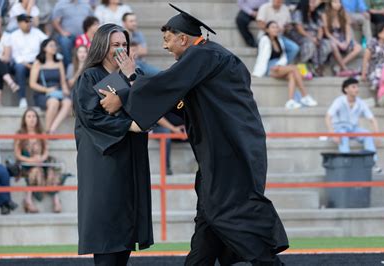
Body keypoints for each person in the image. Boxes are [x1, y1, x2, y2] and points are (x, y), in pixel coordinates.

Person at [100, 4, 289, 265]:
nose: (165, 47)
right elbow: (180, 102)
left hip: (229, 158)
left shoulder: (202, 56)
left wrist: (131, 79)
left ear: (183, 39)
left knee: (231, 217)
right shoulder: (212, 59)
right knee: (207, 228)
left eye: (167, 40)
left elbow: (166, 86)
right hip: (227, 155)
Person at [72, 23, 153, 265]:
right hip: (103, 162)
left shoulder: (133, 76)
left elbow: (149, 105)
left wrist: (130, 76)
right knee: (107, 235)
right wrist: (129, 125)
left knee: (125, 233)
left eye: (124, 45)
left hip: (129, 161)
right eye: (115, 45)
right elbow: (91, 117)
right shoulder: (90, 77)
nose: (121, 50)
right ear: (101, 47)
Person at [253, 20, 318, 109]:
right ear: (267, 30)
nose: (275, 29)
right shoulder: (264, 39)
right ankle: (305, 96)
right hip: (270, 67)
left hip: (279, 65)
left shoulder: (279, 40)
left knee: (292, 74)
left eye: (276, 27)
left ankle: (290, 101)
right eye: (272, 27)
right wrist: (258, 73)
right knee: (294, 68)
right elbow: (262, 57)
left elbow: (283, 56)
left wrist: (280, 65)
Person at [325, 78, 381, 173]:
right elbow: (327, 117)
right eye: (353, 87)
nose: (356, 89)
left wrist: (377, 133)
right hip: (339, 128)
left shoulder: (360, 102)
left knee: (367, 134)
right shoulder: (339, 101)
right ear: (346, 89)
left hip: (353, 128)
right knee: (343, 135)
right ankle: (346, 162)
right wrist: (333, 134)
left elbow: (372, 119)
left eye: (357, 87)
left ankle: (372, 163)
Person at [14, 108, 62, 213]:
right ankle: (28, 200)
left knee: (51, 171)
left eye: (34, 116)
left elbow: (46, 151)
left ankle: (56, 201)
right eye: (29, 116)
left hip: (40, 161)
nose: (32, 119)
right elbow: (17, 154)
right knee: (35, 170)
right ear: (24, 119)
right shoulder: (20, 134)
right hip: (26, 163)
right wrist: (31, 160)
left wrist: (41, 158)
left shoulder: (41, 133)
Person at [29, 38, 72, 134]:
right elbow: (32, 84)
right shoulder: (38, 63)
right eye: (51, 45)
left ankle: (52, 129)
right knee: (54, 102)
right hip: (43, 93)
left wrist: (65, 90)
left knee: (68, 102)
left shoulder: (59, 62)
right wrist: (47, 89)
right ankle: (47, 131)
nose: (54, 48)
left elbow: (63, 81)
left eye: (54, 45)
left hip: (58, 91)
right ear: (44, 48)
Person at [10, 14, 48, 108]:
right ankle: (22, 98)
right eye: (26, 21)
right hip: (23, 64)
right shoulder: (14, 35)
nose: (28, 24)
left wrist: (37, 62)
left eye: (30, 21)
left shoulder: (37, 32)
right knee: (19, 68)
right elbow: (16, 56)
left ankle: (43, 98)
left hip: (37, 62)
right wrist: (30, 66)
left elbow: (47, 43)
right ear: (19, 23)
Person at [288, 0, 332, 76]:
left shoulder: (316, 14)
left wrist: (318, 38)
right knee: (310, 44)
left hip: (315, 37)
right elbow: (299, 29)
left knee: (327, 44)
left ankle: (319, 66)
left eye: (314, 3)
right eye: (311, 3)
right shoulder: (298, 13)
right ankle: (302, 64)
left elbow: (320, 29)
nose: (313, 5)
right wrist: (312, 38)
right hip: (302, 36)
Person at [322, 0, 362, 77]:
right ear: (330, 3)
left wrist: (347, 42)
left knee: (358, 47)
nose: (338, 4)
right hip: (333, 38)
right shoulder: (325, 15)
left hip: (343, 37)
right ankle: (344, 68)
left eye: (339, 2)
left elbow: (348, 30)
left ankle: (338, 65)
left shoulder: (344, 13)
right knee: (333, 45)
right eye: (335, 2)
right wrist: (339, 43)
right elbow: (327, 33)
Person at [52, 0, 93, 68]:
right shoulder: (61, 4)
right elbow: (54, 21)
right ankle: (69, 67)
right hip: (68, 36)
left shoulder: (85, 4)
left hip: (84, 35)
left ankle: (88, 68)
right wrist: (62, 32)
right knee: (65, 42)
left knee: (94, 42)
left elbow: (92, 19)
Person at [122, 12, 160, 76]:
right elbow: (125, 54)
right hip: (127, 66)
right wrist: (136, 49)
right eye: (131, 21)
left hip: (141, 64)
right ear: (124, 23)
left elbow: (144, 51)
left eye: (135, 21)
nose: (134, 23)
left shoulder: (139, 34)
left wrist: (131, 50)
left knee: (160, 74)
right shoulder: (120, 35)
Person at [361, 24, 384, 92]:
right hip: (373, 66)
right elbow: (366, 59)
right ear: (379, 33)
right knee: (380, 70)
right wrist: (363, 73)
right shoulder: (372, 42)